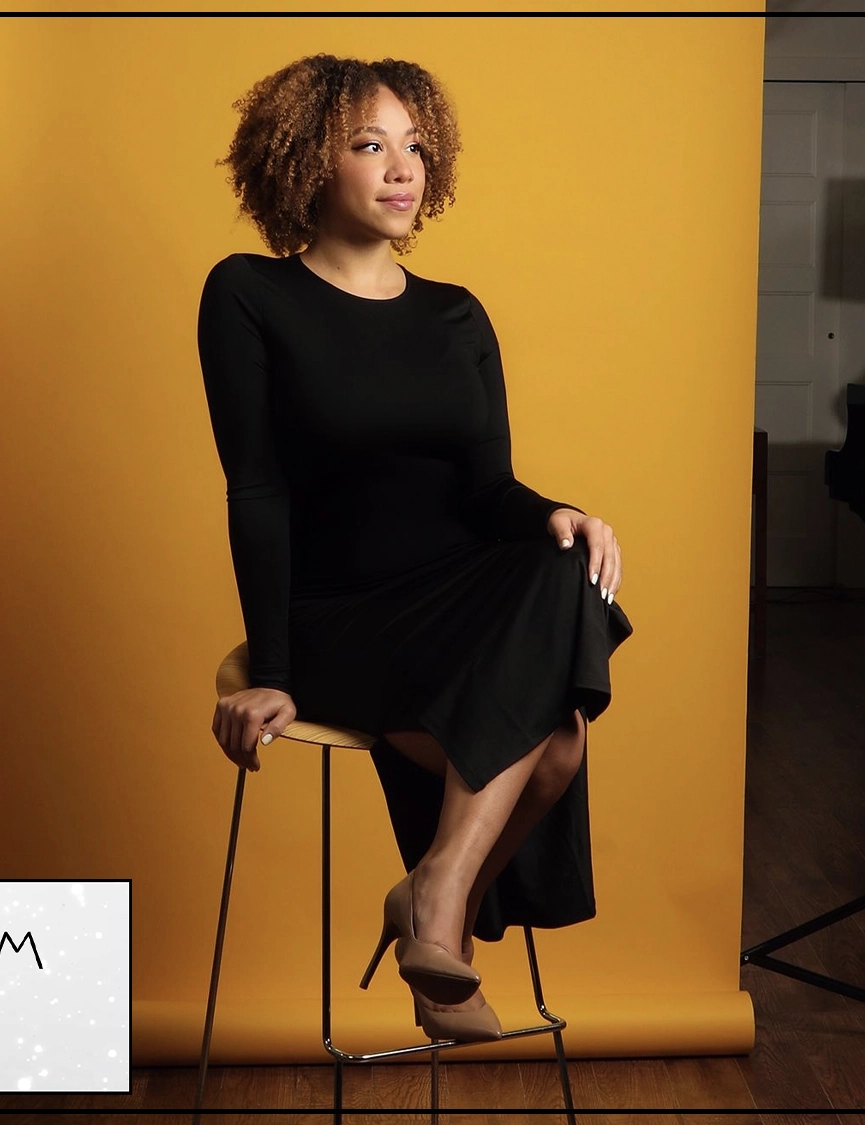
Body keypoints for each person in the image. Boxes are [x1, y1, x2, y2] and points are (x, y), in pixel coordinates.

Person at [197, 54, 633, 1043]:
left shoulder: (455, 313)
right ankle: (431, 907)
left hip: (457, 600)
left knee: (564, 565)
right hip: (338, 615)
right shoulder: (248, 295)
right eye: (368, 145)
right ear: (307, 162)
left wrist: (553, 513)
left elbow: (487, 490)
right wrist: (271, 670)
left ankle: (433, 892)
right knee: (554, 743)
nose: (402, 169)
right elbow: (256, 489)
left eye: (416, 148)